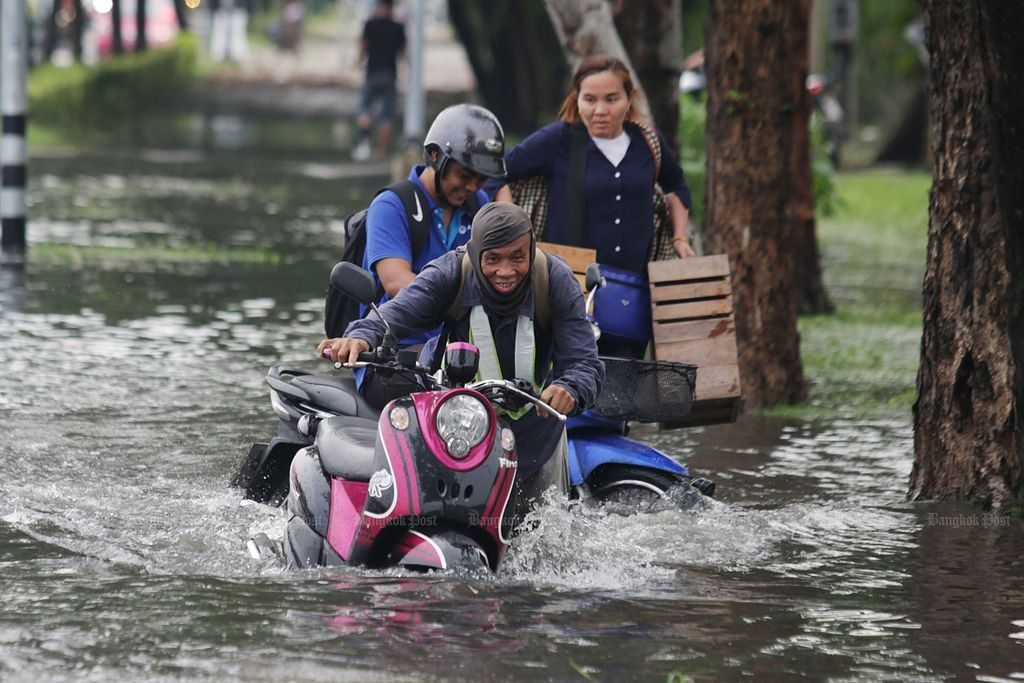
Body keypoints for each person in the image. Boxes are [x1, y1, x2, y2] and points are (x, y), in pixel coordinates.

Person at [318, 202, 604, 479]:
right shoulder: (450, 272)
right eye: (492, 259)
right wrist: (360, 337)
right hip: (452, 426)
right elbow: (398, 312)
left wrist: (570, 387)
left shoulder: (556, 280)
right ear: (475, 252)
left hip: (534, 435)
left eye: (518, 257)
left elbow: (585, 363)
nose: (506, 272)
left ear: (530, 250)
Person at [491, 55, 696, 357]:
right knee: (572, 379)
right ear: (577, 99)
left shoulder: (646, 142)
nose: (600, 110)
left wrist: (680, 238)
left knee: (627, 381)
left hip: (632, 293)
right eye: (589, 99)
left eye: (612, 99)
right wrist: (512, 225)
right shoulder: (559, 140)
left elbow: (676, 186)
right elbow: (496, 173)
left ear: (629, 99)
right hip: (570, 287)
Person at [355, 103, 506, 408]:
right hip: (395, 356)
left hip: (462, 357)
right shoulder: (392, 205)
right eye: (465, 174)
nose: (472, 186)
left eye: (481, 179)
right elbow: (396, 282)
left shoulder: (479, 205)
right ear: (436, 156)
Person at [353, 0, 406, 161]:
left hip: (372, 73)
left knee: (365, 110)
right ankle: (381, 153)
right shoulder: (398, 27)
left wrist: (357, 61)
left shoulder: (370, 25)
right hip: (390, 74)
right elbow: (403, 52)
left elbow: (363, 47)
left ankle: (363, 143)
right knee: (386, 117)